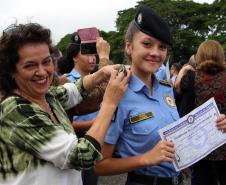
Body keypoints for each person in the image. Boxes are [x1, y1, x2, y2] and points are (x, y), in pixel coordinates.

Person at [94, 6, 226, 185]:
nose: (155, 53)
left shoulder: (165, 88)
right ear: (129, 47)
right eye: (147, 44)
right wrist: (147, 158)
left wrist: (214, 126)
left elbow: (174, 139)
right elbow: (100, 165)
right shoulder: (118, 94)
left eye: (162, 47)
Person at [0, 23, 131, 185]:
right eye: (30, 65)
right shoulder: (16, 109)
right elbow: (83, 156)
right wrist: (110, 103)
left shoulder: (45, 95)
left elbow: (74, 90)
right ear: (11, 71)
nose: (42, 72)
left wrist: (102, 73)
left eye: (46, 61)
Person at [175, 40, 226, 185]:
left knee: (200, 178)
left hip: (199, 144)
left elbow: (177, 89)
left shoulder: (191, 78)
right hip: (224, 144)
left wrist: (184, 70)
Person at [65, 31, 110, 185]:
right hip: (77, 141)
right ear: (75, 56)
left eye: (94, 54)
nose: (92, 58)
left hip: (97, 139)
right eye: (86, 53)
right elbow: (62, 123)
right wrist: (95, 124)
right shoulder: (66, 83)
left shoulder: (98, 76)